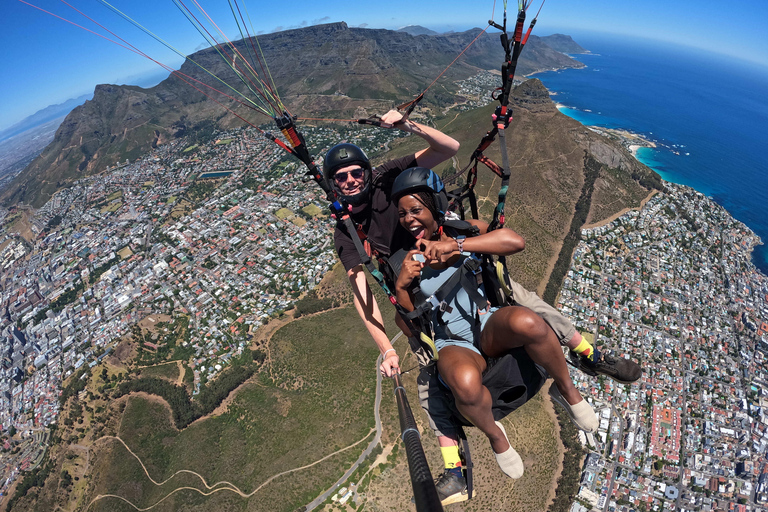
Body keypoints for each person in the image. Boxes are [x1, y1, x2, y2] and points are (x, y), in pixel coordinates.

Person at [325, 113, 640, 505]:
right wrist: (386, 346)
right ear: (333, 183)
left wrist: (408, 125)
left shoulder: (392, 179)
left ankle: (586, 357)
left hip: (472, 287)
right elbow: (365, 297)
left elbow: (449, 149)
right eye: (341, 177)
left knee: (528, 307)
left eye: (357, 171)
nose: (352, 180)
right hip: (425, 300)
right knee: (432, 381)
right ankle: (457, 467)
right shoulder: (347, 232)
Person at [390, 167, 599, 479]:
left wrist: (457, 246)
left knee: (529, 321)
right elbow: (411, 328)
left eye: (416, 210)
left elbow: (514, 242)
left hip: (486, 321)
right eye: (403, 214)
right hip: (453, 340)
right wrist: (402, 287)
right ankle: (497, 437)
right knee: (463, 381)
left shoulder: (465, 230)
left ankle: (568, 391)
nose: (409, 219)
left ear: (434, 205)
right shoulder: (406, 260)